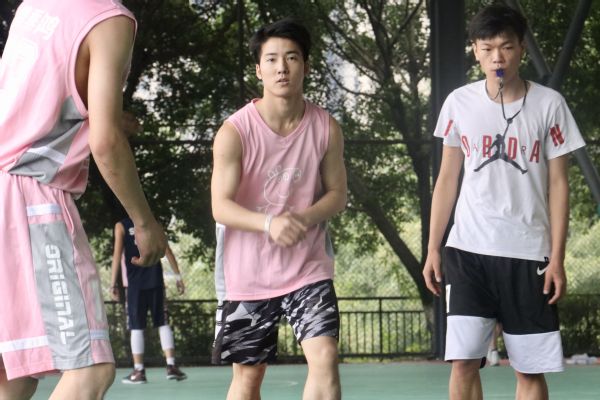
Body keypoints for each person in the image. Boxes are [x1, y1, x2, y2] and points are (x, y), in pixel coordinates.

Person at [0, 1, 166, 399]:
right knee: (90, 370)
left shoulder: (35, 4)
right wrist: (143, 222)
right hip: (29, 194)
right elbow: (105, 142)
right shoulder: (108, 21)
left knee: (14, 373)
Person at [423, 4, 585, 400]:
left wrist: (557, 258)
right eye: (488, 48)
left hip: (528, 253)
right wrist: (433, 247)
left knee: (529, 370)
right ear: (475, 51)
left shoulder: (550, 105)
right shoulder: (458, 103)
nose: (498, 57)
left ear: (522, 49)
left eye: (507, 47)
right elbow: (446, 179)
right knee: (463, 362)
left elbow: (559, 185)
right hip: (468, 250)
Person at [210, 18, 347, 400]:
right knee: (248, 378)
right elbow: (220, 207)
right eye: (271, 59)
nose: (281, 67)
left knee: (325, 357)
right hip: (247, 271)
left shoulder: (326, 128)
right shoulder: (234, 132)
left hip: (308, 266)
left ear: (306, 65)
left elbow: (337, 194)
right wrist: (269, 223)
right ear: (259, 69)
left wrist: (304, 217)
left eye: (291, 57)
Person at [109, 217, 187, 383]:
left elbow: (117, 255)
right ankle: (171, 366)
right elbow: (167, 250)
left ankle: (139, 371)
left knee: (136, 326)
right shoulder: (153, 222)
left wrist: (112, 284)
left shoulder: (121, 226)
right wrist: (178, 277)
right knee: (162, 322)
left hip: (135, 285)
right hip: (155, 281)